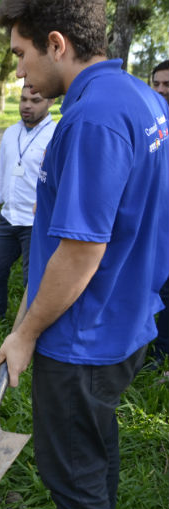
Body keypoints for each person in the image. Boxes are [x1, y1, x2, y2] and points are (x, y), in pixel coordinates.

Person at [0, 2, 169, 509]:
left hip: (82, 336)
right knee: (95, 447)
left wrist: (27, 334)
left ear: (56, 44)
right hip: (127, 318)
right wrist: (22, 319)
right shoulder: (141, 97)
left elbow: (80, 252)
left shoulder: (92, 119)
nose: (20, 71)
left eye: (21, 54)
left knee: (73, 474)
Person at [0, 86, 56, 327]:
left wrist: (49, 202)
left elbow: (63, 176)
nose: (27, 105)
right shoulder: (10, 133)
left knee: (33, 278)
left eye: (35, 100)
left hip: (36, 221)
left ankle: (32, 325)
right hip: (9, 217)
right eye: (23, 99)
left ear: (49, 102)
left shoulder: (56, 134)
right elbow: (2, 173)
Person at [149, 60, 169, 369]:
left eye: (168, 85)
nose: (163, 90)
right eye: (158, 84)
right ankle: (159, 353)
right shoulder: (151, 123)